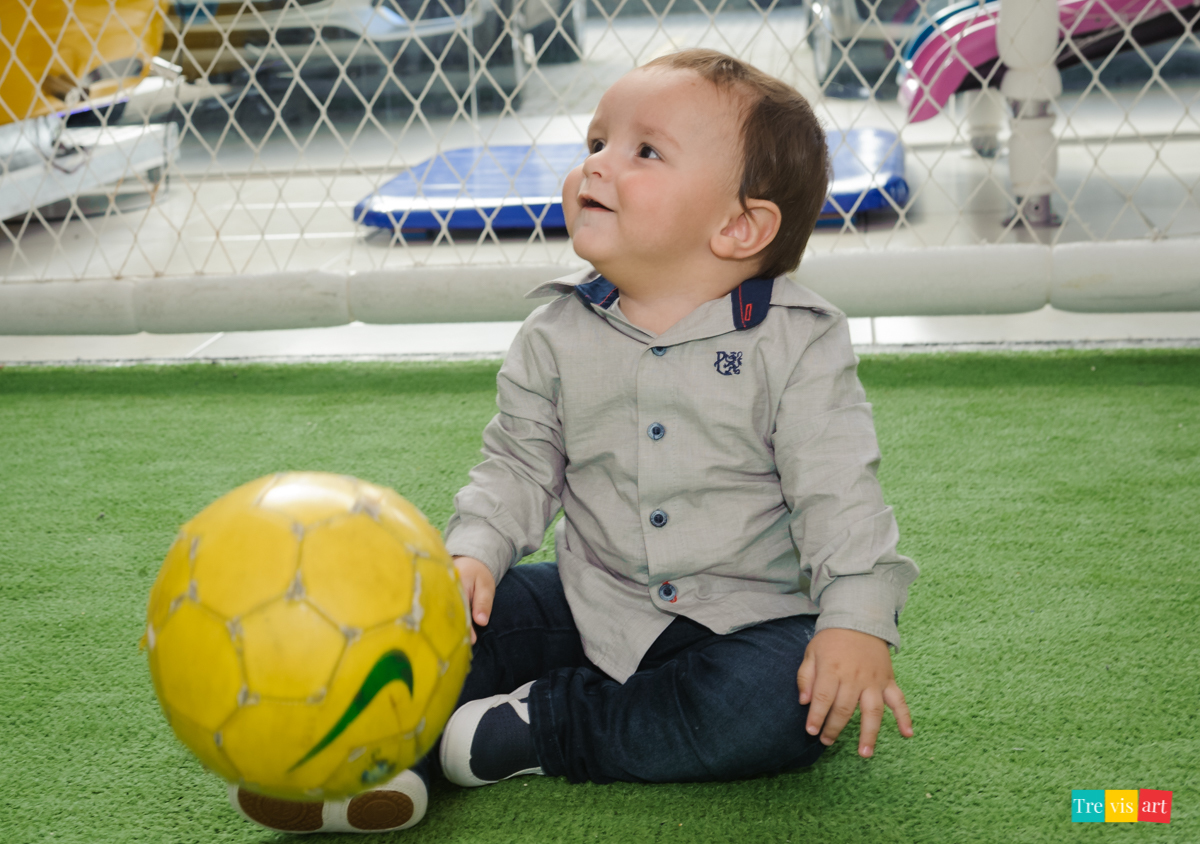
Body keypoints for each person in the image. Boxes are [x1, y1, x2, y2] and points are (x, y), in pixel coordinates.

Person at [231, 47, 918, 834]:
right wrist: (477, 551)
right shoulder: (554, 333)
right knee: (438, 618)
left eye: (644, 151)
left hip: (747, 619)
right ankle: (376, 763)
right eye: (595, 143)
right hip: (593, 599)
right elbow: (517, 465)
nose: (597, 166)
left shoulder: (797, 343)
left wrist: (855, 620)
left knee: (786, 708)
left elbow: (840, 492)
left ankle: (546, 726)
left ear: (738, 226)